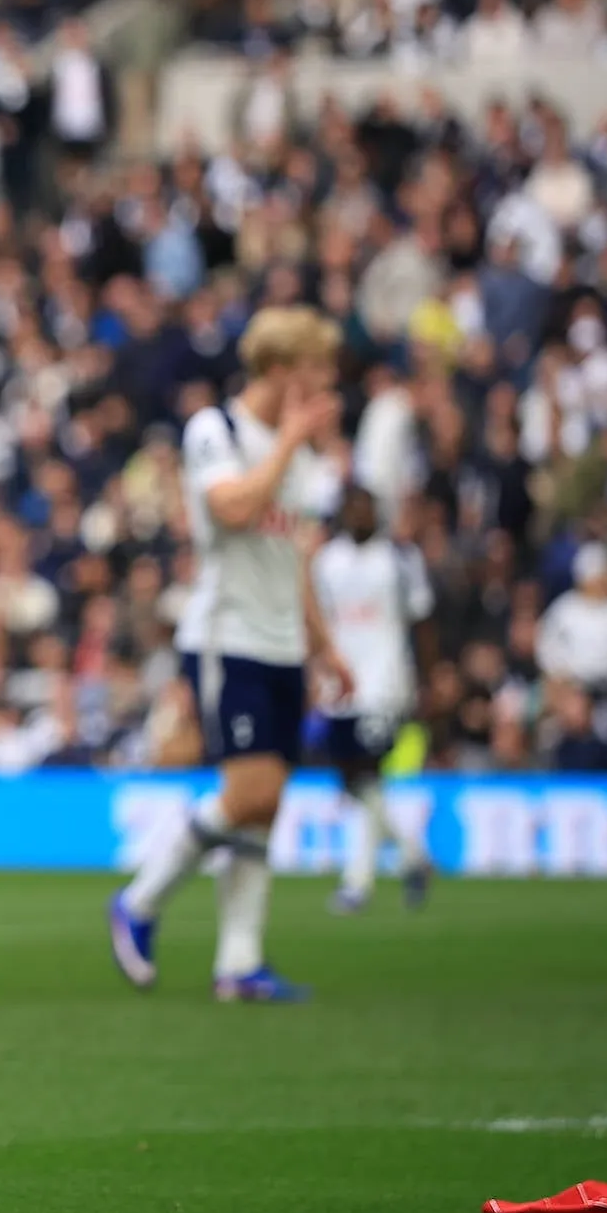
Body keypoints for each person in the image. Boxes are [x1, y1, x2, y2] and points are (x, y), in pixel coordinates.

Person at [109, 304, 349, 1003]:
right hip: (226, 637)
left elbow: (293, 553)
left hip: (281, 643)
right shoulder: (216, 430)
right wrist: (291, 443)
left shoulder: (296, 453)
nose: (326, 386)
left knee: (263, 810)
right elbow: (233, 511)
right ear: (279, 370)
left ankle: (239, 963)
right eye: (315, 371)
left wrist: (324, 643)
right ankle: (140, 902)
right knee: (253, 792)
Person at [310, 484, 436, 914]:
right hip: (341, 685)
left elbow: (421, 622)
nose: (359, 515)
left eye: (366, 507)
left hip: (385, 681)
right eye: (352, 508)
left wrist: (427, 680)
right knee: (355, 781)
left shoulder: (400, 559)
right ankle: (414, 857)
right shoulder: (328, 561)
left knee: (366, 771)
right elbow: (320, 623)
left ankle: (357, 883)